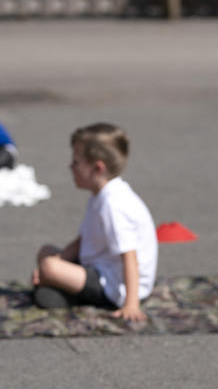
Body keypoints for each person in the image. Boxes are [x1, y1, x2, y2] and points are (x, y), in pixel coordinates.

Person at [31, 123, 157, 322]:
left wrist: (131, 304)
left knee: (48, 268)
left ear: (97, 168)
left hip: (116, 286)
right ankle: (61, 288)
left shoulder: (114, 205)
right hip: (99, 265)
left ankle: (64, 292)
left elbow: (130, 256)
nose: (70, 167)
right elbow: (84, 240)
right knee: (46, 253)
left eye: (76, 162)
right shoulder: (101, 195)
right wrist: (60, 259)